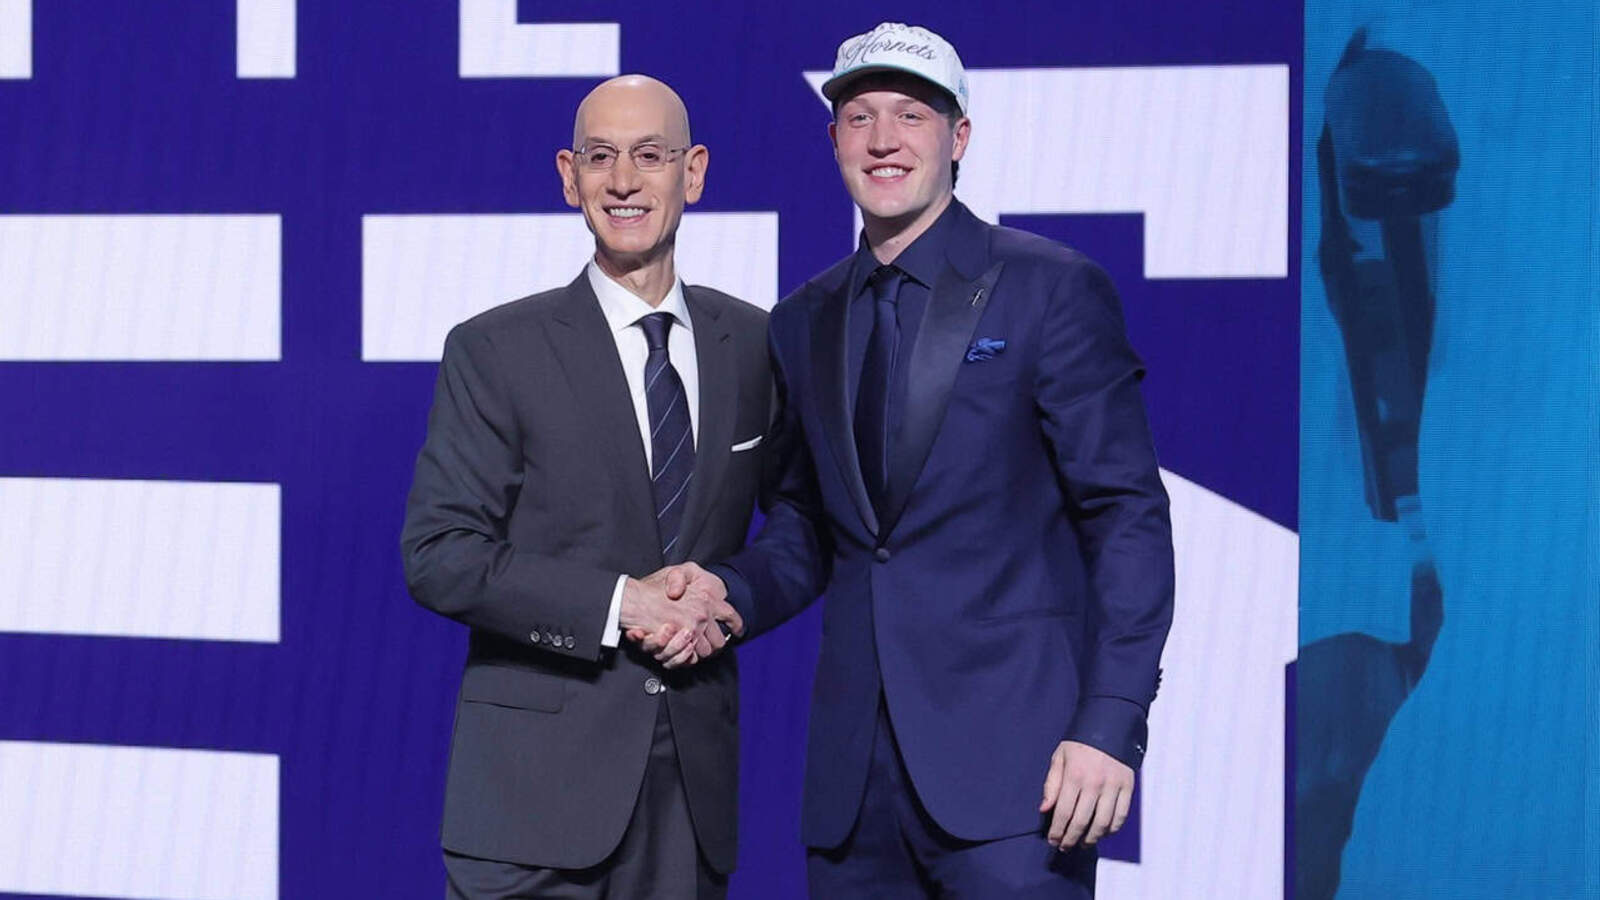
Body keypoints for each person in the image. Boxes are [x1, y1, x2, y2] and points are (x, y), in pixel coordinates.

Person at [644, 23, 1175, 897]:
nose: (883, 139)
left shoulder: (1050, 287)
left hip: (1022, 778)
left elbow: (1127, 516)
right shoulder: (803, 320)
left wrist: (1111, 722)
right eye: (860, 118)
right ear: (834, 141)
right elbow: (809, 527)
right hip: (853, 794)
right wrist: (726, 594)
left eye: (911, 115)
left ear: (958, 137)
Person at [401, 74, 767, 899]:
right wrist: (619, 604)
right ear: (570, 178)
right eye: (600, 157)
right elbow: (438, 554)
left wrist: (729, 592)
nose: (624, 181)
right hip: (530, 810)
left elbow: (803, 530)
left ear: (694, 173)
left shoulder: (751, 343)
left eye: (650, 156)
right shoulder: (495, 349)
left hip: (690, 805)